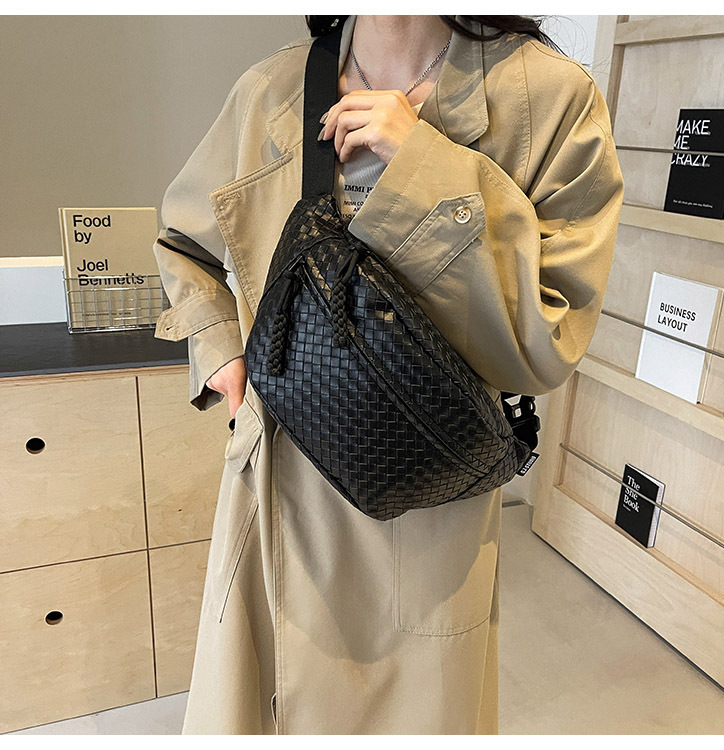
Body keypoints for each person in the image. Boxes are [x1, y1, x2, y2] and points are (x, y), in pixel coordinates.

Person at [152, 14, 624, 734]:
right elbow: (183, 241)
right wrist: (220, 351)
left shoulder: (550, 99)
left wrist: (424, 166)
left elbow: (548, 339)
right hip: (275, 487)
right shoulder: (271, 90)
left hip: (427, 507)